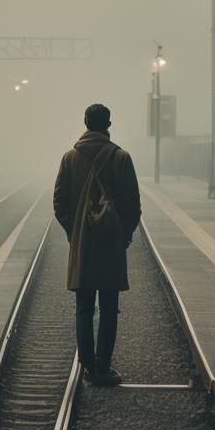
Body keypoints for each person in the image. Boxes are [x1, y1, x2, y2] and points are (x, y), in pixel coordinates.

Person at [53, 103, 141, 385]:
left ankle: (87, 365)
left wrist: (74, 232)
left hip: (83, 244)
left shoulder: (69, 158)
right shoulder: (121, 158)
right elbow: (133, 206)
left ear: (86, 123)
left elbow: (59, 203)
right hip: (111, 244)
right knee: (108, 305)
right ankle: (103, 367)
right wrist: (124, 235)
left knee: (83, 306)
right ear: (108, 125)